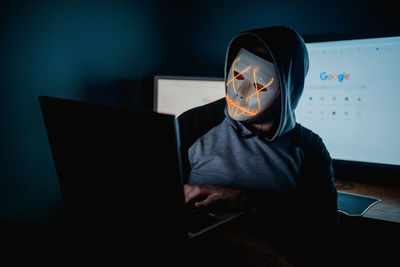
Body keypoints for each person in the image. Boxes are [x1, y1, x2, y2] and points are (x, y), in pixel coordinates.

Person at [177, 26, 339, 265]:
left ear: (288, 87)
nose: (240, 92)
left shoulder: (309, 149)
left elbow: (322, 233)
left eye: (260, 84)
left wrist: (245, 201)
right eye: (238, 75)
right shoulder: (192, 125)